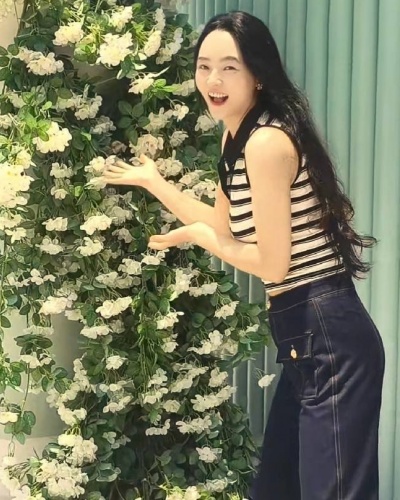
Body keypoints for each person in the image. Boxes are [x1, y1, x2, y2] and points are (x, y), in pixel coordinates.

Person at [102, 10, 385, 500]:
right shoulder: (237, 137)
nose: (213, 80)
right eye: (204, 66)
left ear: (258, 74)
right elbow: (226, 225)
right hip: (303, 334)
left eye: (229, 67)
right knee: (276, 488)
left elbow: (272, 264)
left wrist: (199, 237)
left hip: (328, 333)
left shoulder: (266, 143)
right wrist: (155, 183)